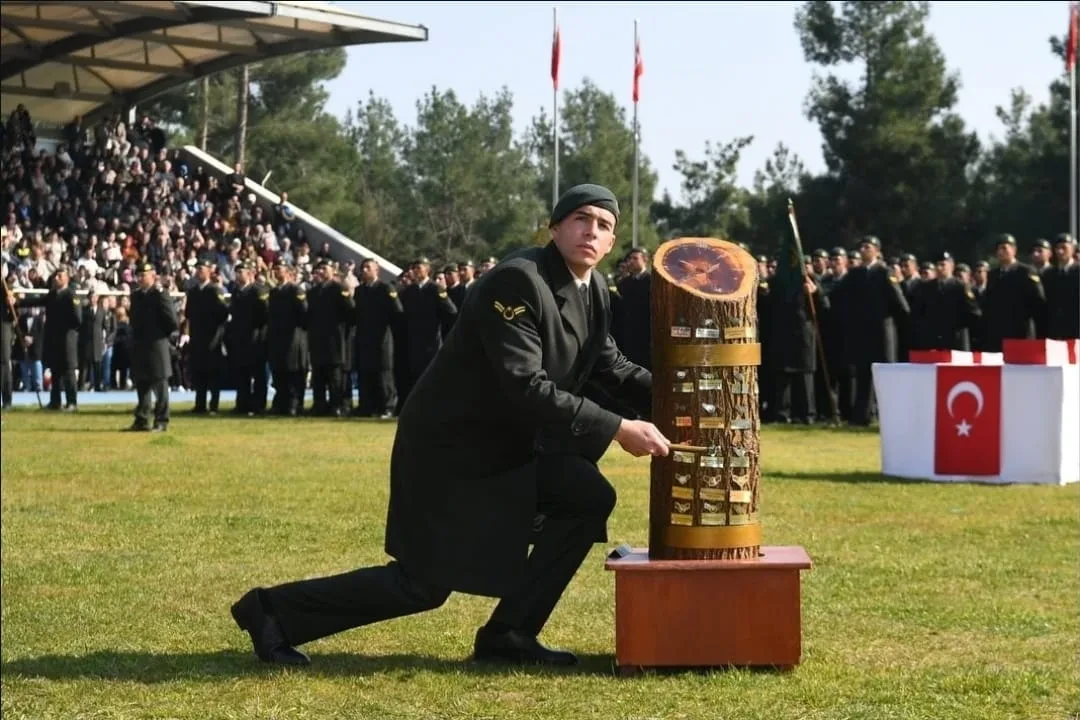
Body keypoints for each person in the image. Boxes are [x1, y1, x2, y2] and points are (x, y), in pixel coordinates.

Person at [230, 184, 671, 667]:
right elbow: (525, 385)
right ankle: (272, 611)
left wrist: (684, 396)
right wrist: (618, 428)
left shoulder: (593, 291)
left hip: (509, 448)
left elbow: (611, 367)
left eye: (604, 226)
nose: (592, 231)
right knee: (422, 585)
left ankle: (509, 635)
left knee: (586, 496)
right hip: (453, 449)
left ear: (611, 244)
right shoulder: (517, 282)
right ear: (554, 228)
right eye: (581, 219)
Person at [128, 262, 178, 431]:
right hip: (140, 345)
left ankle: (161, 420)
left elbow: (171, 321)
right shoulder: (136, 296)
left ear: (153, 276)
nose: (141, 278)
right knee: (142, 384)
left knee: (160, 384)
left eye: (144, 275)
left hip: (157, 345)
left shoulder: (159, 294)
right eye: (139, 275)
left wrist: (159, 335)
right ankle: (142, 419)